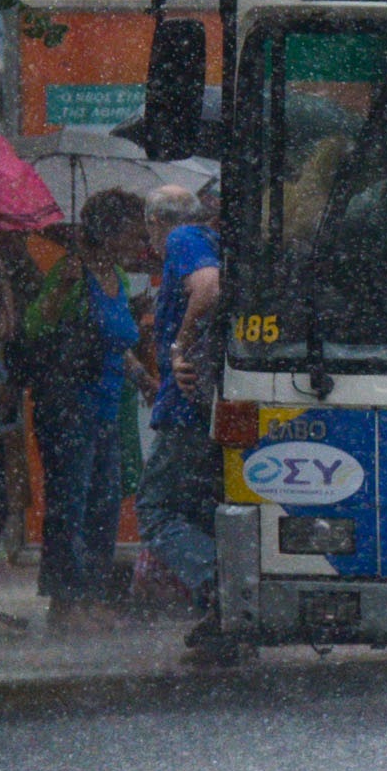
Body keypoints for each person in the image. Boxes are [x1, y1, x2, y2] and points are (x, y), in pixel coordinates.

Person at [16, 190, 153, 627]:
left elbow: (117, 344)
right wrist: (63, 289)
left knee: (103, 504)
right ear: (109, 231)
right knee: (69, 503)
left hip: (108, 406)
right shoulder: (71, 272)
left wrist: (143, 379)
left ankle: (90, 595)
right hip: (69, 404)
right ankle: (64, 602)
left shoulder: (119, 277)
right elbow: (36, 327)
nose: (141, 242)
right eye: (134, 232)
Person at [138, 185, 222, 618]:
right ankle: (219, 621)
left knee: (155, 510)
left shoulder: (181, 239)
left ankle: (218, 583)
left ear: (155, 222)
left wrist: (179, 346)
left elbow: (207, 287)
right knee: (202, 510)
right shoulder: (212, 239)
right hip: (209, 404)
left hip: (186, 405)